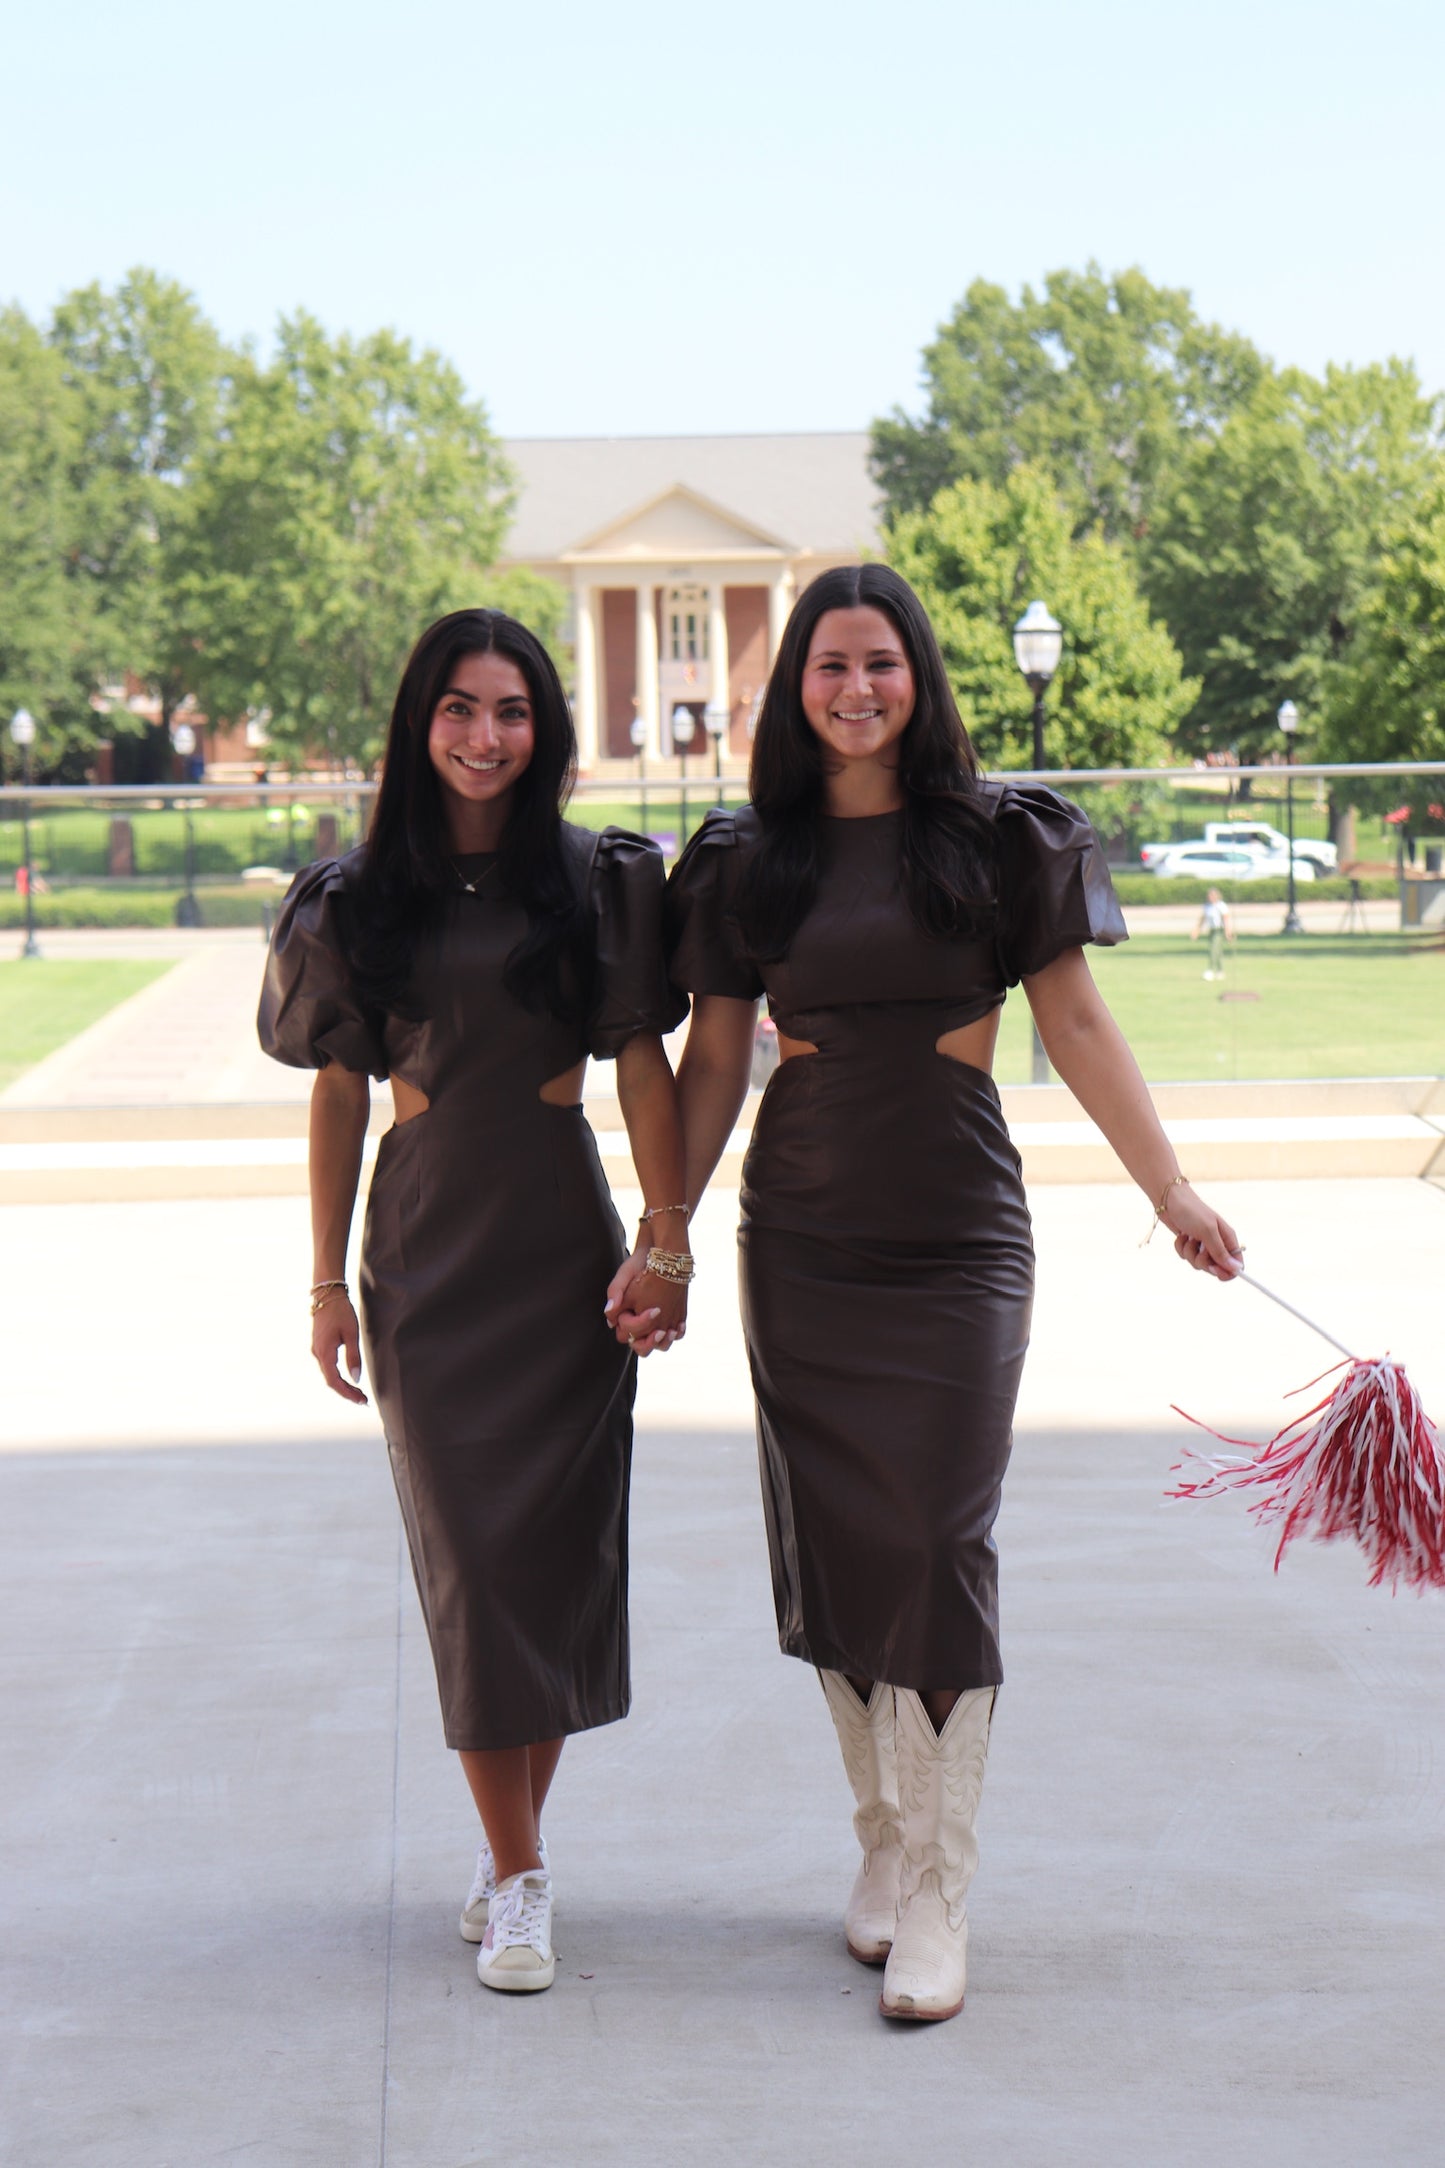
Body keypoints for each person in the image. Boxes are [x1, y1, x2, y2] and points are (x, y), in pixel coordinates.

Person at [639, 564, 1242, 2024]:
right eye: (830, 666)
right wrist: (661, 1234)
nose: (857, 689)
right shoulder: (746, 859)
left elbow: (1078, 1020)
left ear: (920, 679)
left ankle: (941, 1892)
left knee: (934, 1534)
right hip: (802, 1236)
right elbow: (715, 1061)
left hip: (958, 1237)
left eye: (882, 663)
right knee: (844, 1541)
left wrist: (1171, 1191)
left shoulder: (996, 840)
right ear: (795, 689)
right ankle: (881, 1841)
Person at [258, 609, 691, 1996]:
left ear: (543, 727)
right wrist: (325, 1281)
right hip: (428, 1259)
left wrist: (664, 1243)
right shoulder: (354, 899)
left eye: (509, 710)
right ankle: (518, 1877)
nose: (483, 735)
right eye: (458, 708)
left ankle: (513, 1855)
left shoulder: (595, 881)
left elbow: (638, 1062)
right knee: (470, 1572)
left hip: (565, 1252)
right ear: (418, 721)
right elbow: (337, 1093)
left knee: (551, 1572)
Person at [1193, 885, 1232, 978]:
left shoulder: (1221, 906)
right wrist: (1196, 931)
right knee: (1217, 951)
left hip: (1219, 930)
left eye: (1213, 895)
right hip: (1212, 930)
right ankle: (1220, 971)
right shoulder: (1207, 906)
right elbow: (1203, 919)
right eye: (1209, 895)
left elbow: (1226, 919)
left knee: (1213, 949)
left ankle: (1210, 969)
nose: (1210, 897)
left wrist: (1228, 932)